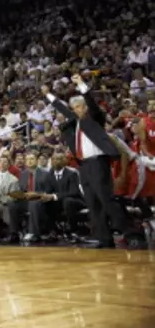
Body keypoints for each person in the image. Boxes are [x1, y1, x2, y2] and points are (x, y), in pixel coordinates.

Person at [43, 74, 127, 247]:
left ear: (85, 107)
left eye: (80, 107)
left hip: (97, 163)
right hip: (84, 165)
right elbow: (62, 108)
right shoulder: (76, 122)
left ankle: (132, 232)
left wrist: (81, 83)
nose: (77, 110)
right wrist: (48, 94)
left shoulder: (94, 118)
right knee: (93, 202)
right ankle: (104, 238)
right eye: (75, 108)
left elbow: (92, 103)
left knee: (106, 199)